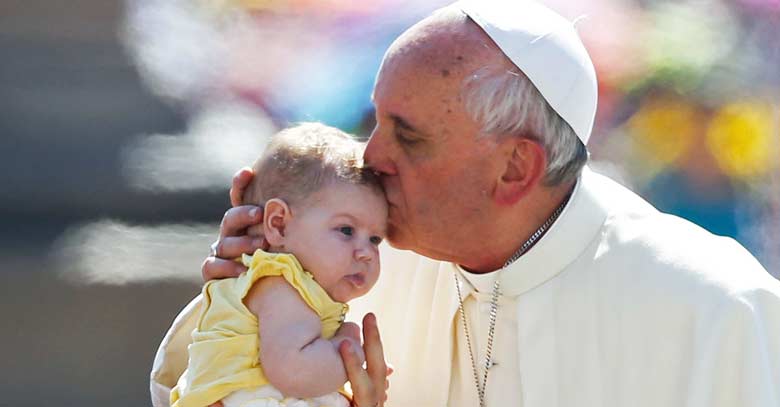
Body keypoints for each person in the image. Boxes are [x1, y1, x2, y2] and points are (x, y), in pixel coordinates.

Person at [152, 1, 780, 406]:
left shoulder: (716, 310)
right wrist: (240, 299)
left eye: (409, 135)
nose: (371, 157)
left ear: (515, 167)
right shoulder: (351, 264)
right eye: (375, 121)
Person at [167, 123, 388, 407]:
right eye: (346, 230)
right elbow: (294, 371)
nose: (367, 253)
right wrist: (349, 350)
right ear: (279, 224)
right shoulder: (280, 285)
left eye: (375, 239)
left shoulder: (295, 289)